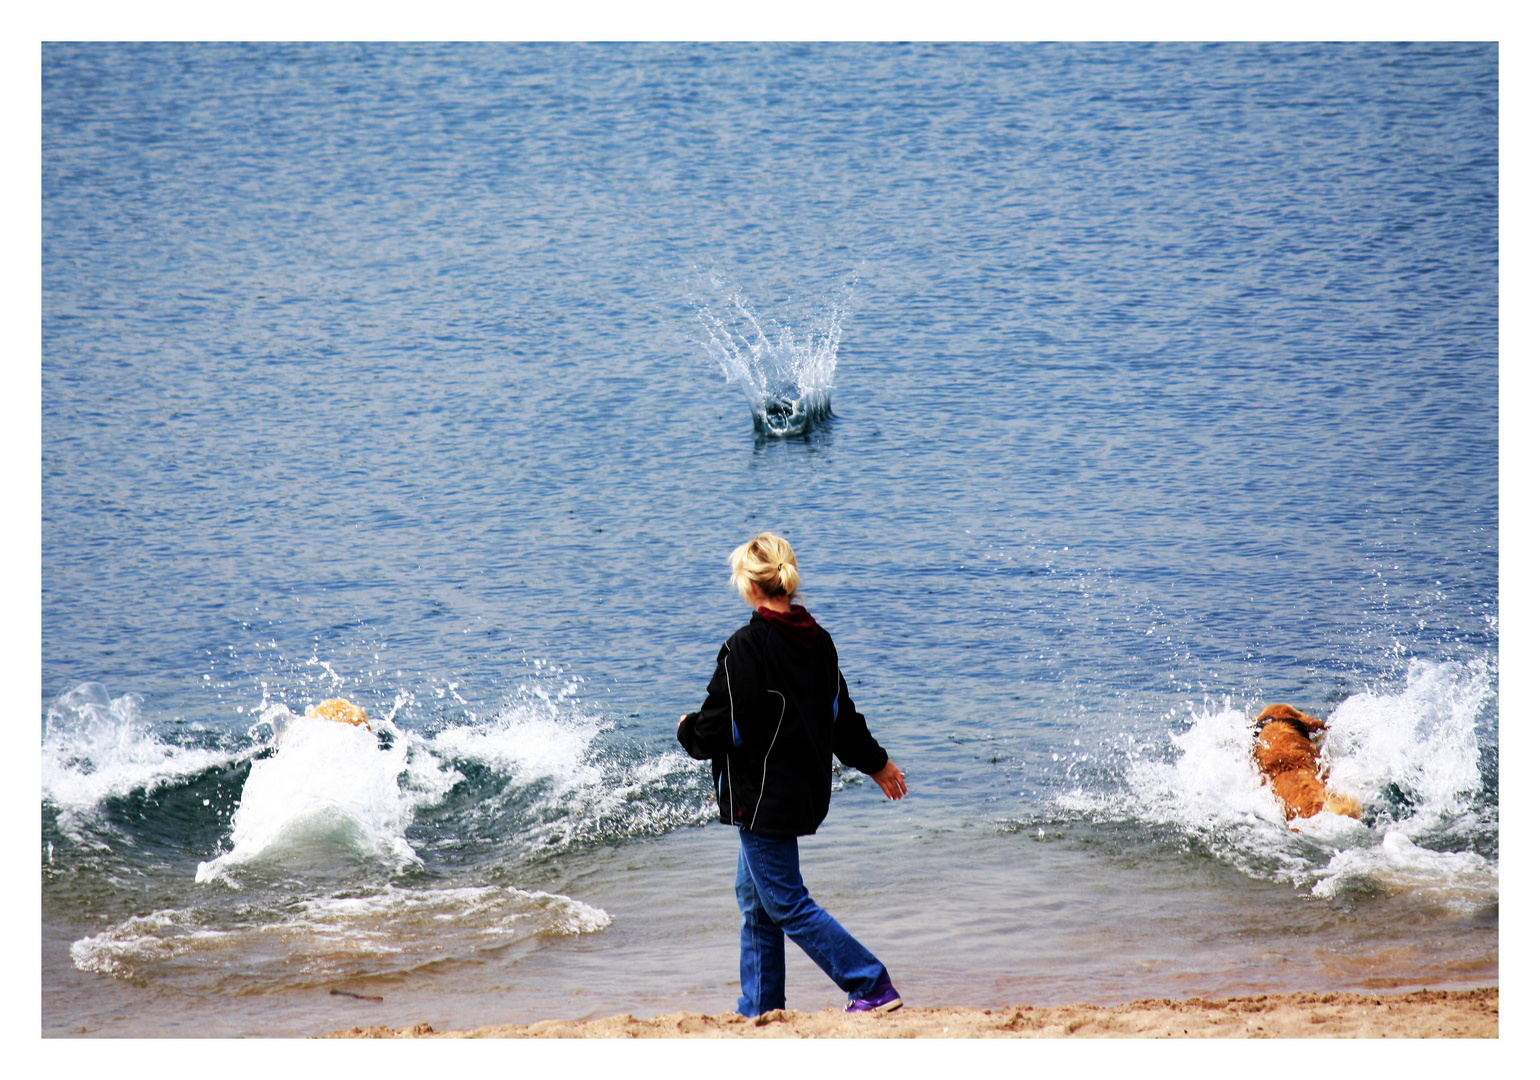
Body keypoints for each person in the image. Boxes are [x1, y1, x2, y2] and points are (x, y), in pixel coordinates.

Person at [677, 532, 908, 1016]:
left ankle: (870, 983)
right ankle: (760, 1007)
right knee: (755, 899)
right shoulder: (818, 641)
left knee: (785, 903)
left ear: (750, 585)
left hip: (761, 798)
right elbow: (840, 718)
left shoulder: (746, 646)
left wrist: (688, 732)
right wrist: (876, 763)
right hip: (797, 790)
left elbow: (723, 726)